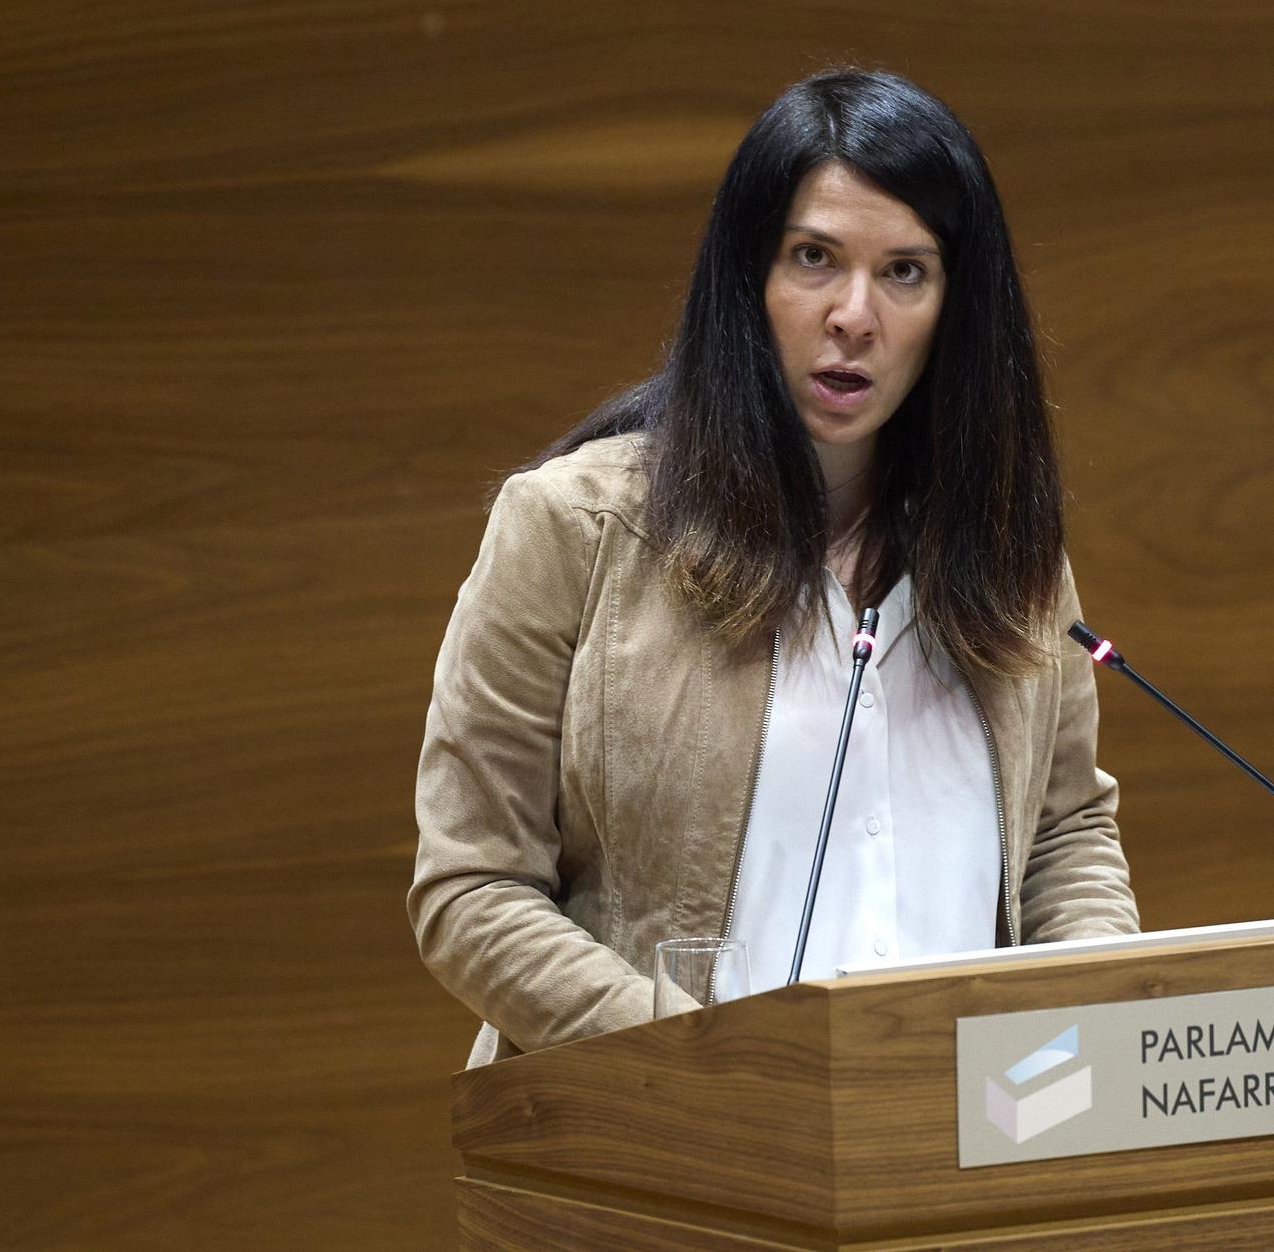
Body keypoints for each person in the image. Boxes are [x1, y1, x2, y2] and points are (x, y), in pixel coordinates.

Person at [408, 68, 1139, 1069]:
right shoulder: (573, 530)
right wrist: (715, 1066)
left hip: (966, 1150)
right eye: (812, 258)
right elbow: (471, 890)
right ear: (746, 278)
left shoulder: (1004, 552)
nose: (853, 314)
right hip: (684, 1150)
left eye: (904, 272)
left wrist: (1077, 1039)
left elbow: (1062, 841)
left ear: (953, 307)